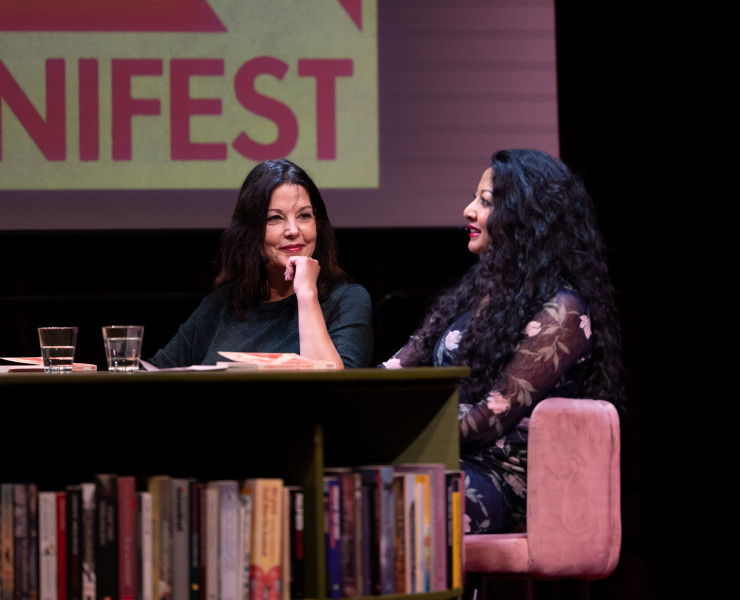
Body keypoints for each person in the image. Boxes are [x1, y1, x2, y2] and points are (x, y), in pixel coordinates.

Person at [380, 148, 624, 534]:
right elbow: (392, 370)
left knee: (394, 497)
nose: (468, 210)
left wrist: (388, 427)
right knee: (344, 482)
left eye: (485, 201)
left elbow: (487, 420)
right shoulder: (471, 295)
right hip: (447, 462)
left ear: (524, 216)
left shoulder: (562, 311)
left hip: (503, 480)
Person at [148, 158, 373, 369]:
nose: (293, 230)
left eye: (304, 216)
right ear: (250, 232)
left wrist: (306, 294)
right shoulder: (223, 303)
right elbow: (153, 372)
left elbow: (335, 389)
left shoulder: (347, 301)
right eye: (275, 218)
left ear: (317, 223)